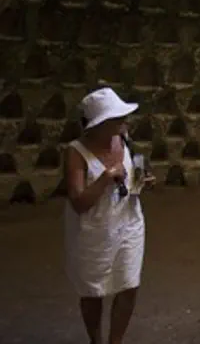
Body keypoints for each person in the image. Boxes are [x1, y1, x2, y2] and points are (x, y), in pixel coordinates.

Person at [63, 87, 155, 344]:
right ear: (99, 124)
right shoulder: (76, 152)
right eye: (117, 119)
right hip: (94, 228)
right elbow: (79, 202)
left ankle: (115, 341)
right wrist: (105, 178)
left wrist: (143, 179)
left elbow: (134, 170)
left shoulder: (124, 139)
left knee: (129, 283)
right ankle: (96, 340)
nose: (124, 123)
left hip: (128, 221)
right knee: (93, 290)